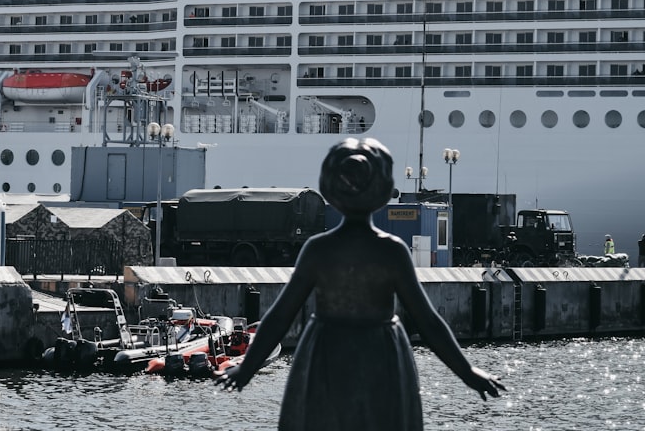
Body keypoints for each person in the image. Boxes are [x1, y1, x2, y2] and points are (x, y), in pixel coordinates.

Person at [216, 138, 504, 429]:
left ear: (330, 187)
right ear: (382, 189)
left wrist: (246, 369)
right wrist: (467, 372)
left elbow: (281, 315)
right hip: (381, 354)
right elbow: (427, 321)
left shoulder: (319, 249)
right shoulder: (391, 251)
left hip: (326, 351)